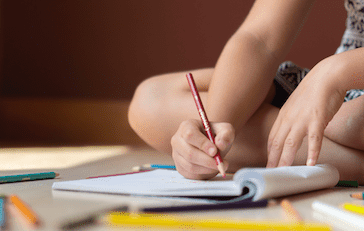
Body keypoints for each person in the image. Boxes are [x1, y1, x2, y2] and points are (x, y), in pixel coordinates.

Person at [128, 0, 364, 183]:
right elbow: (260, 39)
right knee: (151, 101)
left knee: (348, 120)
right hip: (335, 87)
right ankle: (347, 158)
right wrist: (215, 134)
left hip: (339, 77)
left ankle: (329, 153)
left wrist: (336, 72)